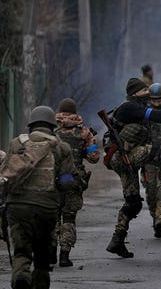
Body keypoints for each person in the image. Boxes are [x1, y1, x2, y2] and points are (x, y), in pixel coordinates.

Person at [4, 106, 78, 288]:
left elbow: (7, 173)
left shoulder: (17, 143)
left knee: (21, 251)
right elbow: (68, 180)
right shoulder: (61, 147)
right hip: (46, 208)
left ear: (30, 125)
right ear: (53, 126)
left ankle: (21, 277)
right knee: (42, 255)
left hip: (17, 206)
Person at [105, 78, 161, 258]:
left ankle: (117, 240)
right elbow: (159, 116)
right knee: (157, 149)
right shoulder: (130, 107)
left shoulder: (133, 106)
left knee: (133, 203)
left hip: (125, 160)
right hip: (123, 158)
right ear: (135, 93)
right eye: (144, 90)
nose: (147, 92)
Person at [53, 98, 100, 267]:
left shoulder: (52, 132)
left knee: (53, 217)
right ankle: (64, 256)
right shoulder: (84, 132)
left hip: (55, 179)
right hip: (73, 179)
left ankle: (50, 253)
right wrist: (91, 142)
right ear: (75, 113)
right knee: (69, 218)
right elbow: (94, 158)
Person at [143, 83, 161, 238]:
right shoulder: (145, 115)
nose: (156, 103)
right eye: (153, 100)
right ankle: (156, 217)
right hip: (148, 159)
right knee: (150, 192)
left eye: (159, 100)